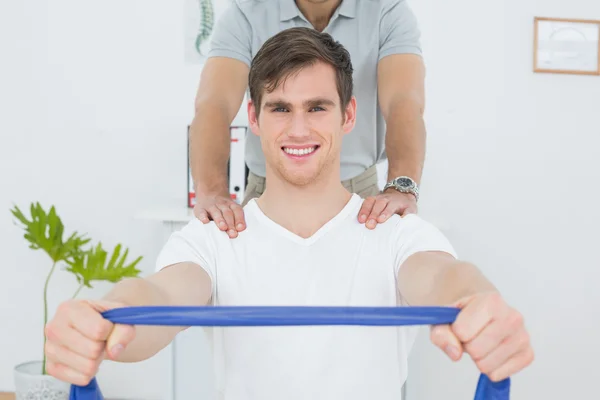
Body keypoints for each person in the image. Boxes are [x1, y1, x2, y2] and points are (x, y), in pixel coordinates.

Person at [44, 28, 533, 400]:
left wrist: (478, 300)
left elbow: (446, 277)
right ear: (254, 118)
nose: (298, 128)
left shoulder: (395, 233)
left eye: (317, 107)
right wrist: (102, 321)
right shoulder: (214, 240)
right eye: (280, 108)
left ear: (347, 116)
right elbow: (153, 302)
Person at [191, 0, 428, 239]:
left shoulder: (386, 11)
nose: (299, 131)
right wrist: (211, 191)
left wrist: (402, 187)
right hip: (267, 193)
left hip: (360, 197)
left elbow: (403, 101)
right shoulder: (245, 14)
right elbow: (215, 104)